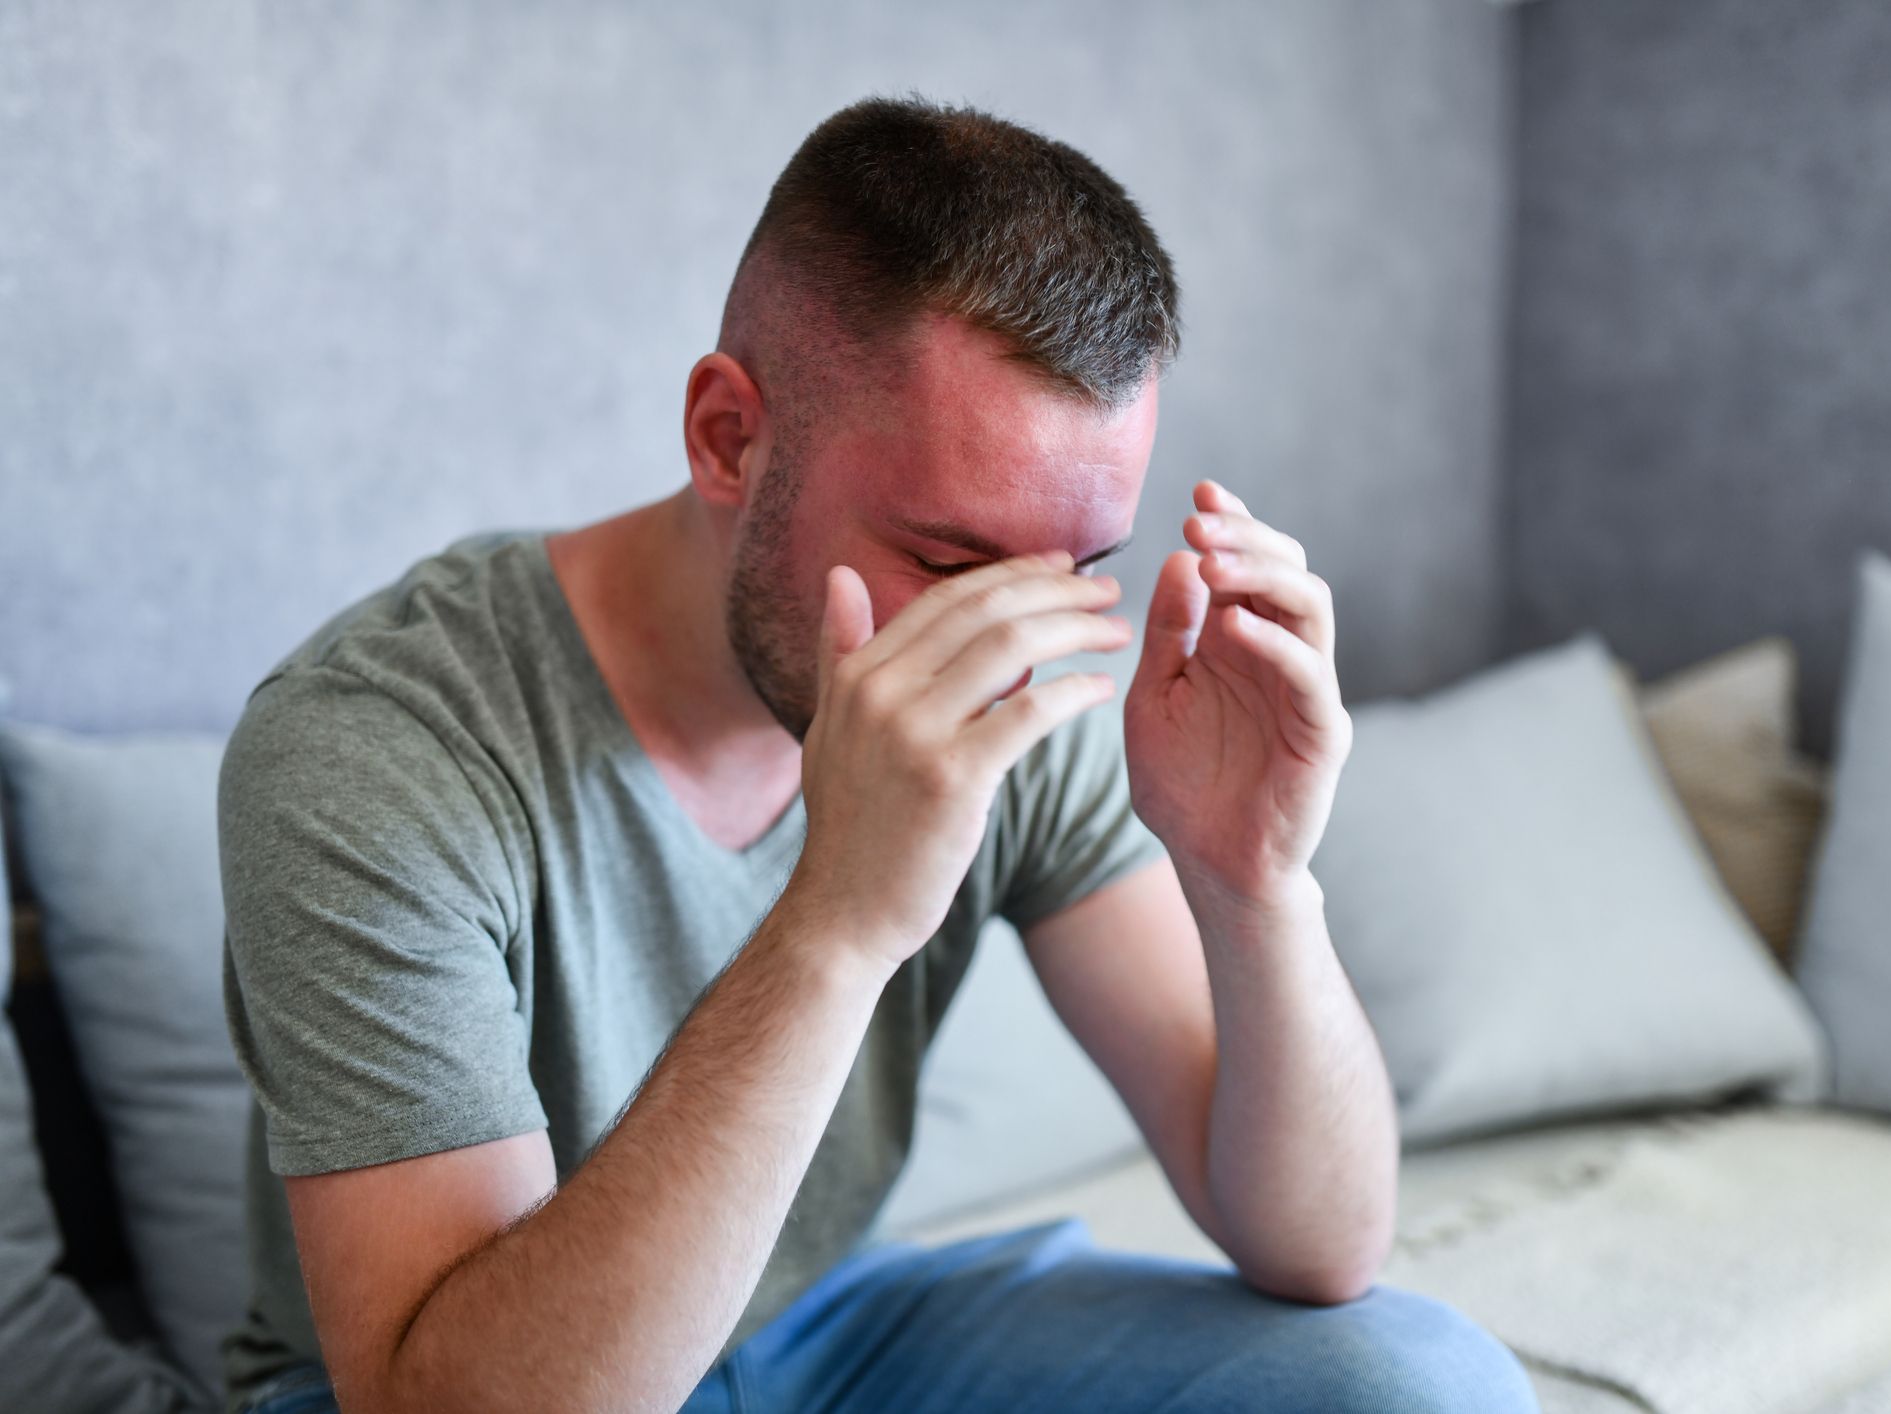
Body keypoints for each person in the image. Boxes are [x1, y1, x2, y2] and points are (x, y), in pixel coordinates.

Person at [217, 95, 1539, 1413]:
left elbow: (1318, 1244)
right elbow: (456, 1402)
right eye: (949, 562)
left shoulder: (1020, 704)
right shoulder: (378, 742)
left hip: (821, 1328)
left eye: (1076, 569)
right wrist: (838, 920)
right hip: (484, 1373)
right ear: (730, 438)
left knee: (1414, 1384)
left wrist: (1256, 881)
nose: (1011, 647)